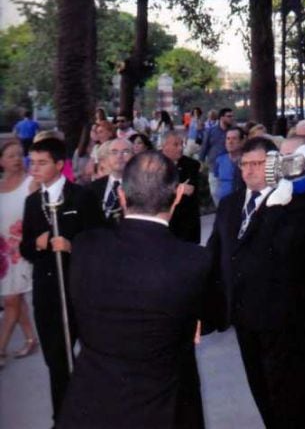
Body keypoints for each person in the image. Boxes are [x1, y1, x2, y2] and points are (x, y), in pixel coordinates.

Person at [58, 151, 211, 428]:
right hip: (159, 410)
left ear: (122, 195)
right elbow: (208, 317)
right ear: (177, 196)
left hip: (89, 406)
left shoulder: (85, 246)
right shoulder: (194, 261)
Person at [205, 136, 305, 429]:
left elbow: (290, 250)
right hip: (242, 316)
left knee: (286, 392)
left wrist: (277, 208)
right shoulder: (230, 205)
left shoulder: (292, 201)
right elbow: (215, 252)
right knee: (259, 388)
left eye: (258, 163)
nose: (250, 170)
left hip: (279, 315)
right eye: (245, 164)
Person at [20, 137, 92, 423]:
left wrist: (73, 245)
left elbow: (99, 240)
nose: (34, 168)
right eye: (32, 162)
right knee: (56, 360)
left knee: (89, 356)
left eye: (41, 163)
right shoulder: (31, 202)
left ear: (59, 165)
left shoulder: (82, 197)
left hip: (79, 290)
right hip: (48, 292)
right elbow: (25, 247)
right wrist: (38, 245)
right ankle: (62, 417)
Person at [0, 139, 37, 366]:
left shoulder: (31, 183)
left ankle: (1, 349)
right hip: (2, 252)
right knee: (16, 298)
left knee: (11, 299)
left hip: (21, 251)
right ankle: (31, 338)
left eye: (19, 154)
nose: (16, 159)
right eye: (10, 155)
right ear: (1, 161)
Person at [160, 130, 205, 244]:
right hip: (161, 220)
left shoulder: (191, 165)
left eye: (182, 144)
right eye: (176, 144)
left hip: (186, 221)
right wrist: (177, 188)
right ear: (164, 145)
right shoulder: (151, 163)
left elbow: (190, 190)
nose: (180, 148)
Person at [86, 138, 133, 229]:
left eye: (126, 152)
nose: (119, 156)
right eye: (114, 152)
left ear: (134, 156)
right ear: (107, 158)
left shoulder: (141, 188)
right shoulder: (92, 188)